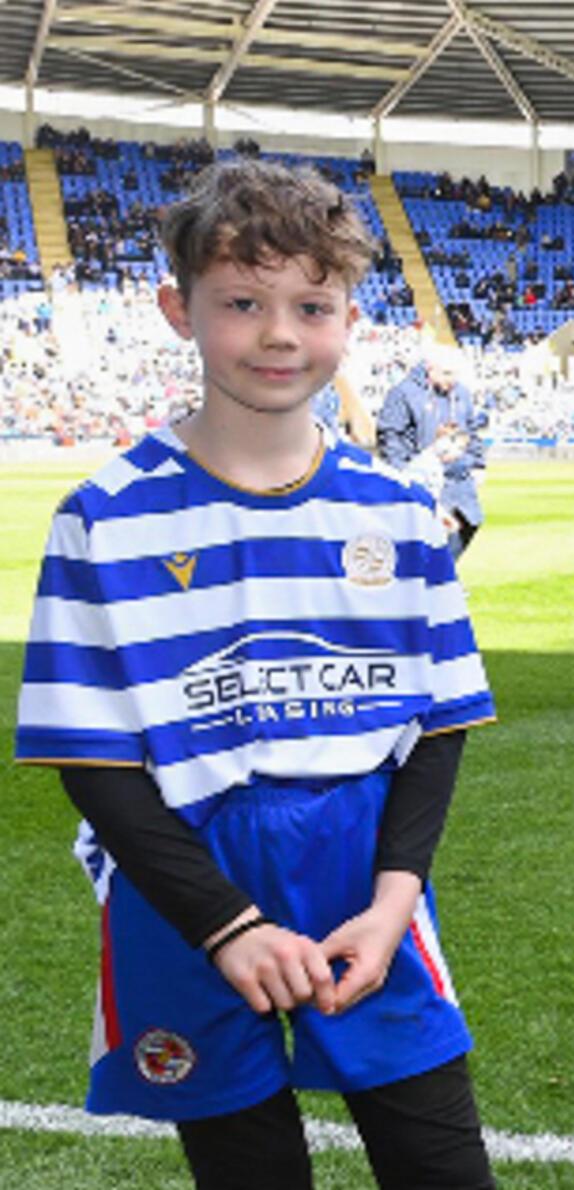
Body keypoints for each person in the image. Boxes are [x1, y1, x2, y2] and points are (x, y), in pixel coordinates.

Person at [12, 158, 498, 1188]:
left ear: (350, 319)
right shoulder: (104, 517)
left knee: (442, 1161)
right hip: (184, 878)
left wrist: (392, 902)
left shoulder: (401, 514)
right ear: (177, 309)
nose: (279, 333)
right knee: (247, 1169)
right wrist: (226, 925)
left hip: (364, 870)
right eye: (242, 302)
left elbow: (440, 722)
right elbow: (94, 760)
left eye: (311, 306)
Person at [376, 343, 489, 556]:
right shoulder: (403, 393)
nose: (452, 380)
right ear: (430, 368)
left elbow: (471, 431)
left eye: (455, 374)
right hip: (425, 480)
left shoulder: (461, 393)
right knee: (432, 543)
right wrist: (402, 475)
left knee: (468, 526)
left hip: (461, 482)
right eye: (447, 373)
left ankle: (443, 573)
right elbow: (390, 437)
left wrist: (478, 464)